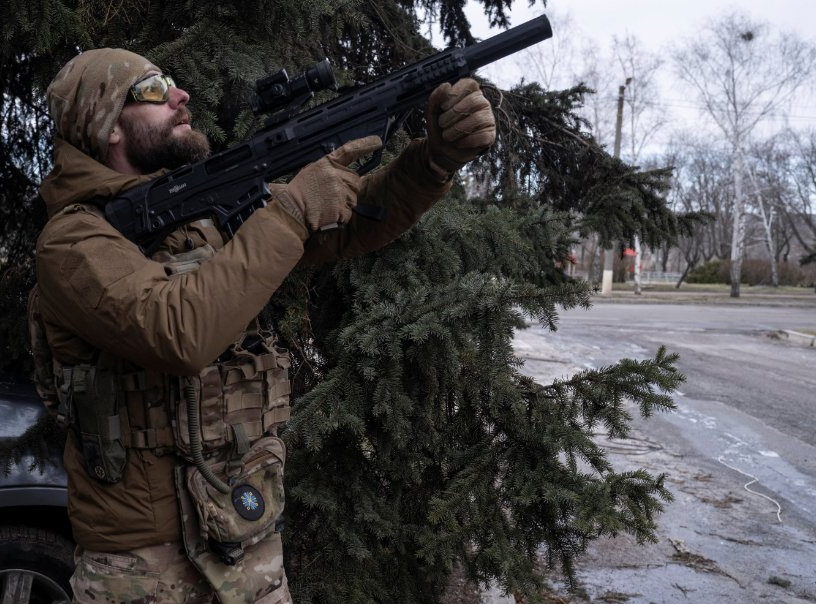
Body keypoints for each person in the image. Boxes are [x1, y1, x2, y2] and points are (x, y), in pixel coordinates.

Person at [31, 48, 495, 603]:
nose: (181, 97)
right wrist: (292, 212)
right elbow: (177, 332)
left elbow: (347, 221)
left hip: (244, 537)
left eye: (174, 83)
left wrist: (433, 162)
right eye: (154, 90)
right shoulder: (71, 243)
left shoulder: (198, 215)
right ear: (106, 124)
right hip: (141, 569)